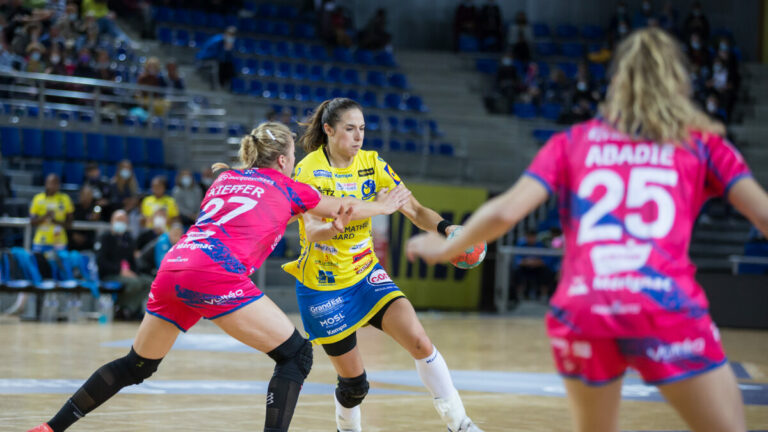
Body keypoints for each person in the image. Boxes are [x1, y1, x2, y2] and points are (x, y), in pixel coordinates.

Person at [407, 28, 763, 432]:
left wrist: (447, 246)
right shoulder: (703, 144)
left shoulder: (574, 141)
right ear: (680, 82)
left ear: (616, 84)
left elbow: (506, 211)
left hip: (584, 308)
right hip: (662, 305)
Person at [26, 121, 411, 432]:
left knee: (135, 365)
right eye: (293, 156)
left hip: (175, 268)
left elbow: (262, 201)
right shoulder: (290, 187)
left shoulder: (224, 180)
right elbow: (343, 206)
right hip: (216, 272)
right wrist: (384, 205)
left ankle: (50, 428)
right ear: (280, 160)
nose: (295, 163)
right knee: (296, 354)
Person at [284, 98, 484, 432]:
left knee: (420, 342)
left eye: (362, 128)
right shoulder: (308, 171)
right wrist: (345, 222)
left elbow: (415, 210)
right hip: (323, 286)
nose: (358, 136)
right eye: (350, 129)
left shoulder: (372, 164)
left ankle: (460, 424)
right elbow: (312, 231)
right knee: (355, 385)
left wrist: (447, 228)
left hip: (366, 275)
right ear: (329, 130)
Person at [95, 209, 153, 320]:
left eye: (124, 221)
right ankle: (121, 308)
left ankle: (128, 309)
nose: (121, 223)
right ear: (112, 221)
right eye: (118, 220)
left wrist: (134, 273)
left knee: (150, 283)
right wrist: (119, 271)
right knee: (134, 283)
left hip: (127, 274)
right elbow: (101, 262)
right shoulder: (105, 237)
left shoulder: (128, 239)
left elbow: (132, 261)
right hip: (109, 274)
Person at [29, 174, 74, 252]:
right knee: (39, 263)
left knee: (60, 264)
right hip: (41, 241)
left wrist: (55, 221)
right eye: (51, 183)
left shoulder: (65, 199)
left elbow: (69, 224)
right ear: (46, 184)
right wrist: (46, 216)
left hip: (59, 241)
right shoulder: (38, 198)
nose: (53, 186)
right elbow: (32, 221)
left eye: (56, 183)